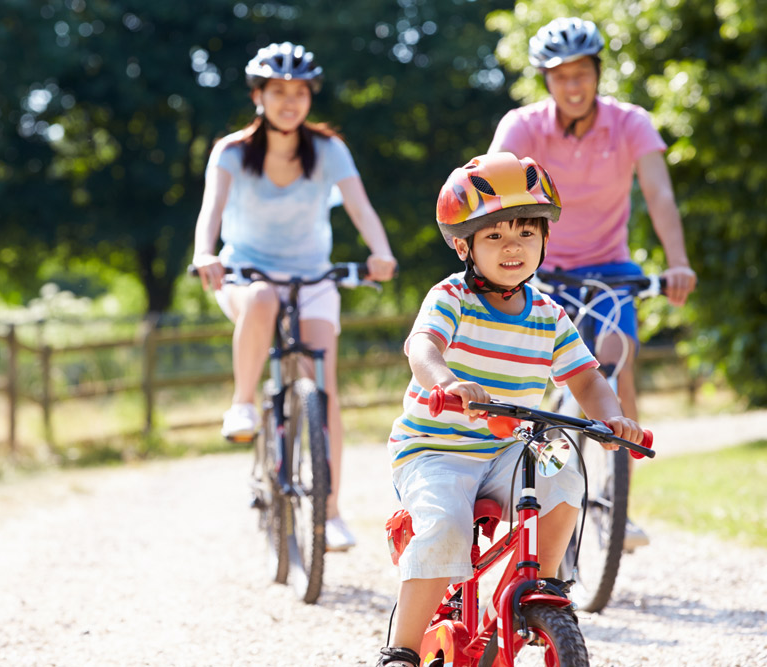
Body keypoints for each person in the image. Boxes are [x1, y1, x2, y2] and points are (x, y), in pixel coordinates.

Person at [376, 152, 644, 667]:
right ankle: (402, 650)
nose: (513, 246)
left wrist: (611, 417)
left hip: (509, 448)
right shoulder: (451, 296)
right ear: (464, 245)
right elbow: (422, 348)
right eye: (494, 235)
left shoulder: (548, 314)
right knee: (444, 526)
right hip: (436, 450)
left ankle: (539, 586)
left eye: (526, 232)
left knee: (565, 469)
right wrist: (448, 382)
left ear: (545, 239)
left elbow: (587, 377)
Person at [488, 16, 697, 549]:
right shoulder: (523, 125)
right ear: (546, 81)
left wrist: (677, 261)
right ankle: (542, 486)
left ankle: (614, 501)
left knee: (614, 354)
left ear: (598, 73)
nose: (573, 85)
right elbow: (493, 189)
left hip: (609, 269)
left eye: (582, 73)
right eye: (561, 76)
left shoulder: (630, 124)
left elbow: (660, 197)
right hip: (542, 269)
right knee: (539, 382)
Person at [192, 42, 397, 551]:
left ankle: (329, 514)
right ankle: (242, 405)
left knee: (321, 387)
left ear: (310, 98)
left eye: (299, 92)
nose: (289, 101)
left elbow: (361, 207)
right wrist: (205, 253)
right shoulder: (233, 152)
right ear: (258, 95)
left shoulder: (328, 150)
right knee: (261, 299)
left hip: (312, 279)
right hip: (246, 274)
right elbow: (210, 211)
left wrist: (381, 251)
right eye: (278, 91)